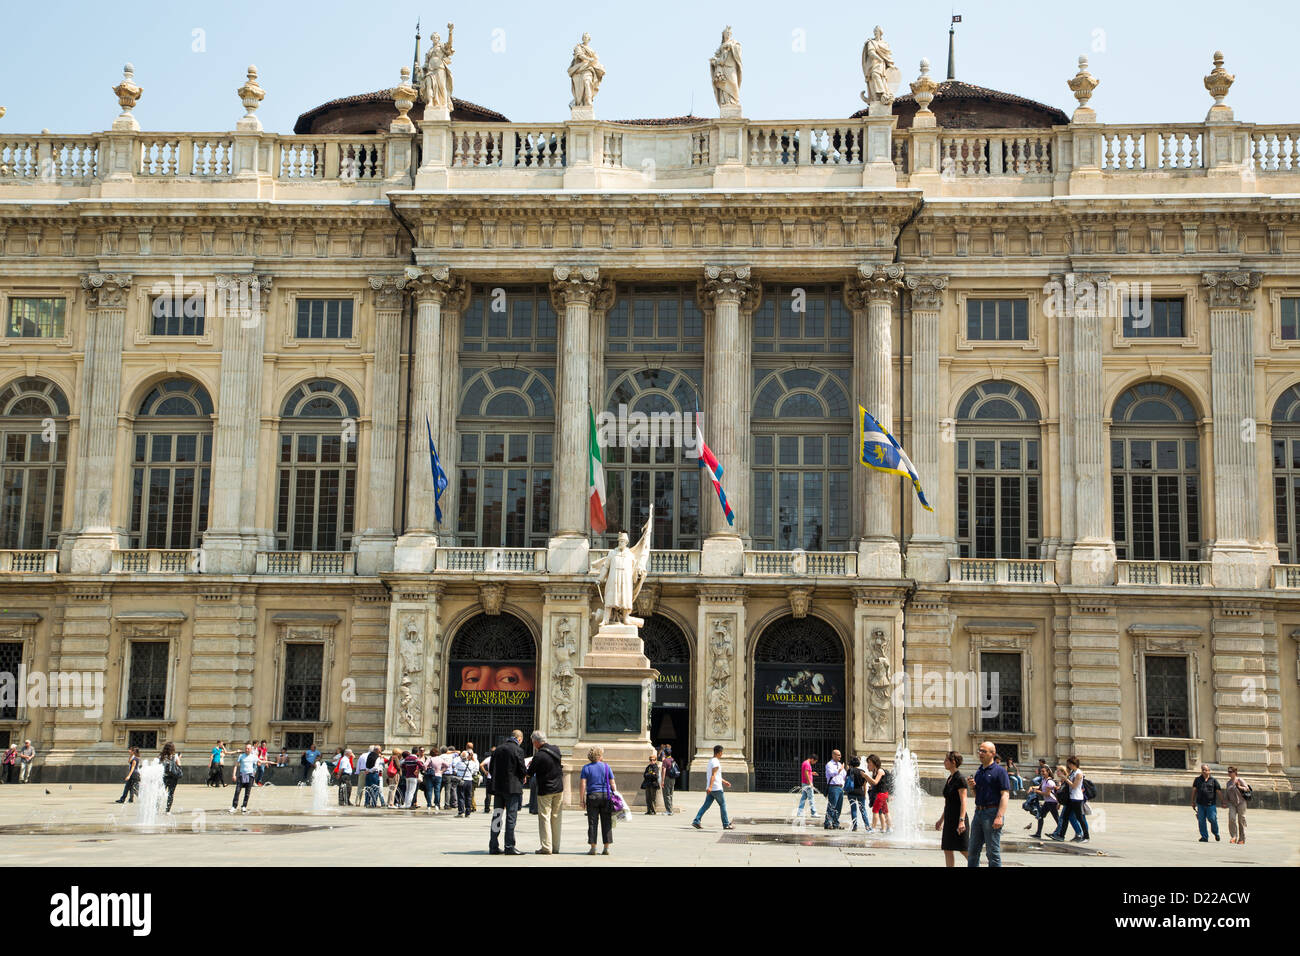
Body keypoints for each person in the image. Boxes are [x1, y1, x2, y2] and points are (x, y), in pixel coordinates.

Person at [966, 741, 1010, 867]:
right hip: (978, 812)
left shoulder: (999, 771)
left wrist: (999, 816)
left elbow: (1005, 795)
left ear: (993, 753)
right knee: (972, 851)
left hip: (992, 813)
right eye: (979, 751)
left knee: (992, 853)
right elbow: (977, 796)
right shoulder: (979, 771)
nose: (980, 753)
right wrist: (973, 788)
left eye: (983, 751)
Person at [488, 729, 527, 855]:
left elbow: (491, 768)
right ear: (519, 739)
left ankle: (493, 846)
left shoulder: (498, 749)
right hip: (513, 788)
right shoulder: (518, 750)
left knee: (497, 816)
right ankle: (509, 846)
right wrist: (522, 777)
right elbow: (522, 769)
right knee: (511, 817)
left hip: (498, 788)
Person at [527, 730, 564, 854]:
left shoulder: (539, 755)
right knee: (556, 817)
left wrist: (530, 765)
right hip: (559, 788)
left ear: (537, 742)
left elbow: (530, 772)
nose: (533, 745)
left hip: (546, 790)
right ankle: (556, 846)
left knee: (544, 817)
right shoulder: (556, 749)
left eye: (533, 742)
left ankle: (546, 847)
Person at [579, 745, 617, 855]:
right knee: (607, 822)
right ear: (600, 755)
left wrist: (581, 800)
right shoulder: (606, 767)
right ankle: (606, 848)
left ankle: (593, 848)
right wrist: (616, 795)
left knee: (592, 822)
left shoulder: (586, 768)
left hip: (592, 796)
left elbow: (583, 784)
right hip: (606, 796)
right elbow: (612, 783)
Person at [934, 751, 969, 867]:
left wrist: (962, 820)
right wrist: (941, 820)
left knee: (963, 849)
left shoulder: (960, 779)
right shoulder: (950, 778)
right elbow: (948, 802)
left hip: (958, 818)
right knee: (947, 848)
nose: (944, 762)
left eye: (946, 760)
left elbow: (964, 800)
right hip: (949, 817)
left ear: (953, 762)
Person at [691, 744, 734, 830]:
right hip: (716, 788)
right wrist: (710, 787)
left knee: (706, 805)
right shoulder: (716, 762)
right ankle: (726, 824)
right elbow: (713, 775)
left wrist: (724, 782)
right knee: (723, 805)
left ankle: (696, 820)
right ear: (719, 752)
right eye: (722, 752)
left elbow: (716, 775)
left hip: (712, 788)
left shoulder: (711, 761)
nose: (722, 754)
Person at [1050, 756, 1090, 844]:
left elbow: (1074, 786)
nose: (1068, 766)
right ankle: (1061, 836)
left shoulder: (1079, 773)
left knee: (1080, 818)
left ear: (1073, 764)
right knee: (1065, 817)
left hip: (1077, 798)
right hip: (1071, 798)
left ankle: (1086, 836)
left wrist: (1065, 778)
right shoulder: (1073, 772)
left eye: (1069, 764)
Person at [1191, 762, 1223, 843]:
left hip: (1211, 804)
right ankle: (1204, 836)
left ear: (1209, 771)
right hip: (1200, 804)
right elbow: (1194, 791)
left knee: (1212, 819)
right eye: (1203, 770)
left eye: (1206, 770)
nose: (1204, 771)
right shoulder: (1197, 780)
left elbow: (1218, 791)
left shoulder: (1213, 780)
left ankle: (1215, 832)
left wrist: (1223, 801)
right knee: (1201, 820)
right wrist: (1193, 801)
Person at [228, 742, 262, 814]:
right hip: (241, 775)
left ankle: (244, 806)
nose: (247, 750)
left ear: (251, 749)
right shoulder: (241, 756)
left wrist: (269, 762)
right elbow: (236, 766)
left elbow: (260, 762)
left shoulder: (253, 756)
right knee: (237, 791)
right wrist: (234, 775)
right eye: (246, 748)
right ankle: (234, 806)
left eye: (248, 748)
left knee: (247, 792)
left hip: (250, 776)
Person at [1029, 765, 1060, 839]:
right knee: (1040, 816)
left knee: (1057, 819)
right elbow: (1040, 787)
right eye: (1041, 771)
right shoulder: (1044, 780)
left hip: (1052, 802)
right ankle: (1038, 833)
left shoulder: (1050, 782)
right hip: (1047, 802)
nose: (1042, 773)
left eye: (1043, 771)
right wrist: (1032, 787)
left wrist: (1037, 791)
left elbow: (1047, 793)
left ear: (1048, 772)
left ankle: (1059, 833)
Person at [865, 754, 892, 832]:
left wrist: (866, 777)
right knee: (885, 811)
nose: (868, 764)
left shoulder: (880, 771)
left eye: (869, 762)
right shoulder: (875, 772)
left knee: (875, 811)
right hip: (883, 794)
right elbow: (874, 784)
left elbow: (875, 782)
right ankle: (889, 828)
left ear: (874, 762)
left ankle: (873, 828)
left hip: (881, 794)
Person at [1224, 766, 1251, 845]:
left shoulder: (1240, 780)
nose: (1229, 773)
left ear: (1235, 772)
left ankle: (1242, 838)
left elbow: (1247, 789)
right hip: (1232, 803)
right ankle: (1233, 836)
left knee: (1241, 820)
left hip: (1241, 802)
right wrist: (1225, 801)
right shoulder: (1228, 782)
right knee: (1231, 818)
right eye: (1228, 771)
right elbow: (1227, 793)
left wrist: (1239, 786)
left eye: (1230, 772)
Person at [845, 757, 871, 832]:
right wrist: (865, 794)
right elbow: (864, 785)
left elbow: (846, 780)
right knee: (863, 809)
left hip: (851, 792)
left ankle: (855, 826)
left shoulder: (850, 771)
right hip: (860, 792)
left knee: (853, 809)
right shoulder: (862, 771)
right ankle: (867, 826)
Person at [823, 749, 845, 829]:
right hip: (833, 787)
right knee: (832, 806)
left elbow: (844, 775)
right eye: (838, 755)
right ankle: (828, 823)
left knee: (838, 807)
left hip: (840, 787)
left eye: (840, 755)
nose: (840, 756)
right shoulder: (829, 764)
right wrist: (839, 770)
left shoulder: (840, 764)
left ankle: (836, 823)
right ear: (833, 755)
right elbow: (832, 773)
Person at [453, 749, 478, 816]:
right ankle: (468, 812)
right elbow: (475, 771)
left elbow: (455, 771)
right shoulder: (472, 763)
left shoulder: (459, 763)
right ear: (467, 757)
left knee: (461, 796)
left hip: (461, 781)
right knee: (468, 796)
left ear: (461, 757)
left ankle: (461, 812)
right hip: (469, 781)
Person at [160, 742, 182, 813]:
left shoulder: (161, 756)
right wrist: (179, 758)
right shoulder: (174, 756)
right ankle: (167, 810)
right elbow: (179, 765)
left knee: (160, 793)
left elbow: (158, 766)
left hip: (164, 777)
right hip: (173, 778)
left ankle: (156, 809)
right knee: (171, 794)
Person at [796, 753, 818, 820]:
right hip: (807, 783)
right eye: (814, 761)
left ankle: (799, 812)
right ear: (812, 759)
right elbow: (806, 773)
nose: (814, 763)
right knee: (811, 797)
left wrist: (811, 773)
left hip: (804, 783)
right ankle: (813, 812)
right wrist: (810, 782)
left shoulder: (805, 763)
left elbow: (807, 772)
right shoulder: (807, 764)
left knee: (803, 798)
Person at [660, 744, 679, 814]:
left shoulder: (665, 761)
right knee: (671, 794)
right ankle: (671, 809)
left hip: (667, 778)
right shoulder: (672, 759)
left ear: (665, 753)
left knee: (666, 794)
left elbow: (664, 770)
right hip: (673, 778)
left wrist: (662, 780)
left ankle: (668, 810)